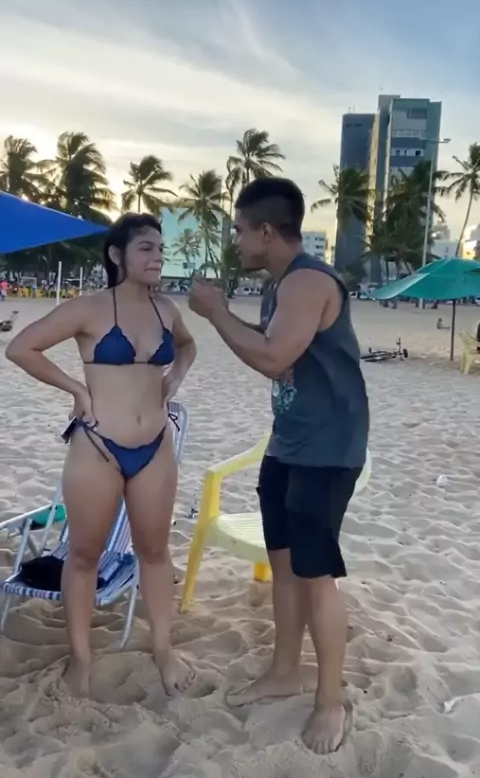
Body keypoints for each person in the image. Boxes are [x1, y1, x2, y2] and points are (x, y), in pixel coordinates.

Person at [188, 177, 369, 755]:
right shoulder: (279, 286)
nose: (236, 241)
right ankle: (285, 672)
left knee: (316, 574)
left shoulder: (309, 282)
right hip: (289, 444)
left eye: (240, 230)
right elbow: (276, 352)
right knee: (284, 565)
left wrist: (216, 312)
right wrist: (230, 319)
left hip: (326, 451)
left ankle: (330, 701)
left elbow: (272, 357)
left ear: (266, 231)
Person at [6, 213, 196, 697]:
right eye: (146, 248)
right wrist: (76, 389)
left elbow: (187, 346)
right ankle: (81, 658)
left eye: (160, 249)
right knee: (85, 555)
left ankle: (164, 650)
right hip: (97, 447)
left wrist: (175, 377)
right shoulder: (88, 308)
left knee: (154, 552)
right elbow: (22, 348)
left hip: (156, 446)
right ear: (117, 254)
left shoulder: (165, 310)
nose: (157, 257)